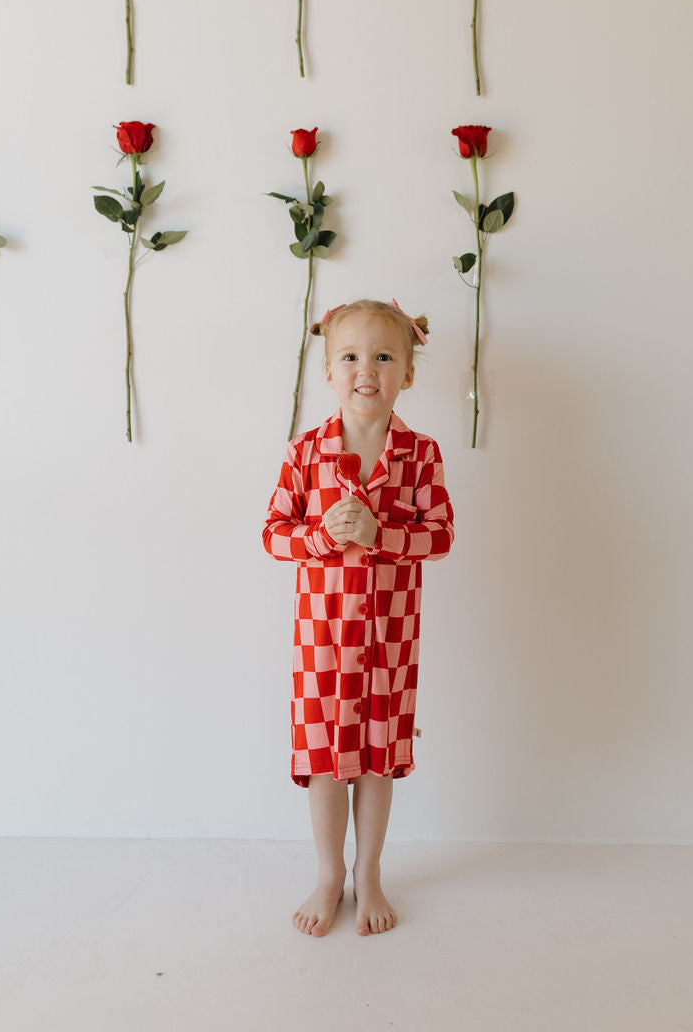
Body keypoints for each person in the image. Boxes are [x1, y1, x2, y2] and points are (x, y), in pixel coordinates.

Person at [263, 298, 454, 937]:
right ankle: (328, 875)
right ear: (328, 371)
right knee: (326, 760)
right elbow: (273, 533)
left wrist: (382, 535)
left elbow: (441, 535)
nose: (366, 370)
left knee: (376, 761)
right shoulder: (305, 452)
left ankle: (368, 874)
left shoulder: (420, 454)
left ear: (407, 372)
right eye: (349, 357)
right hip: (322, 641)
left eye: (383, 356)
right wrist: (322, 536)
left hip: (390, 641)